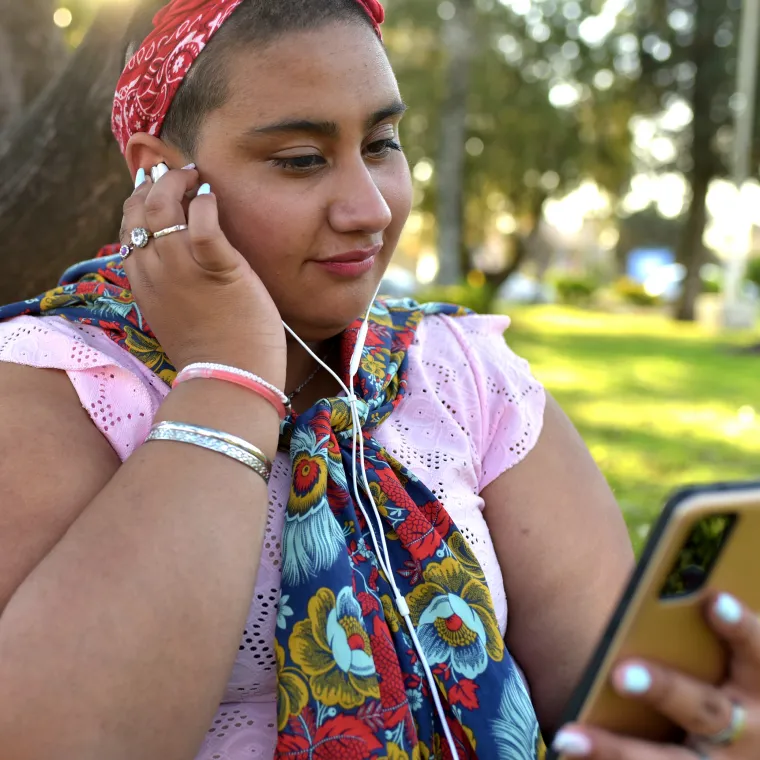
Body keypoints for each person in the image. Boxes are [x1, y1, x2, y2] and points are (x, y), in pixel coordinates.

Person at [0, 1, 757, 758]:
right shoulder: (55, 384)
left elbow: (615, 710)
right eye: (301, 159)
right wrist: (228, 381)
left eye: (383, 143)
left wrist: (707, 726)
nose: (369, 209)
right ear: (159, 172)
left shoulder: (457, 374)